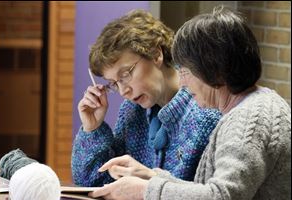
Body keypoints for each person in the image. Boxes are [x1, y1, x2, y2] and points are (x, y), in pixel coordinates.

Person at [89, 6, 291, 200]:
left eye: (185, 71)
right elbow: (206, 191)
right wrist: (151, 177)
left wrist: (145, 190)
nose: (182, 81)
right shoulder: (250, 108)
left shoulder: (250, 117)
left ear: (214, 69)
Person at [72, 10, 221, 187]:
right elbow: (93, 182)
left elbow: (210, 198)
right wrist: (92, 128)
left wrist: (150, 183)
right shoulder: (132, 111)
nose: (123, 91)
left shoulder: (206, 111)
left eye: (126, 74)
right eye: (114, 83)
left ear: (156, 54)